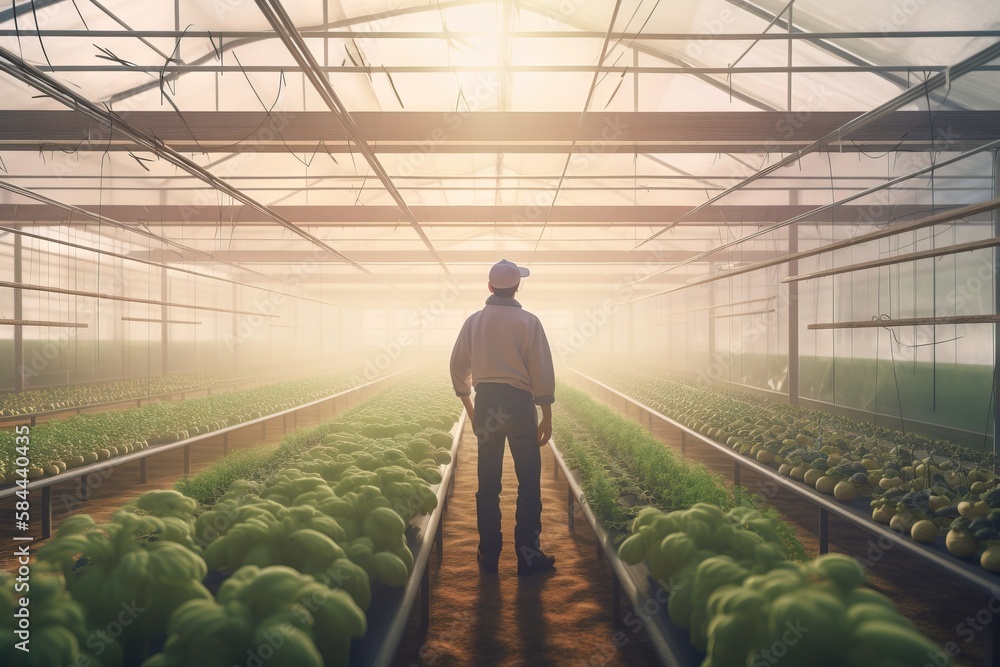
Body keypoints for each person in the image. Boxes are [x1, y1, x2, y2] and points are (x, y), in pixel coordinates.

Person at [450, 259, 557, 576]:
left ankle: (489, 554)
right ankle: (528, 556)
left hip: (487, 404)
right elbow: (541, 370)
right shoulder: (529, 321)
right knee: (528, 483)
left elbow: (458, 367)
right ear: (517, 287)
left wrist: (471, 410)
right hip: (520, 404)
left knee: (488, 484)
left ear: (489, 287)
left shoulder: (474, 322)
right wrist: (546, 415)